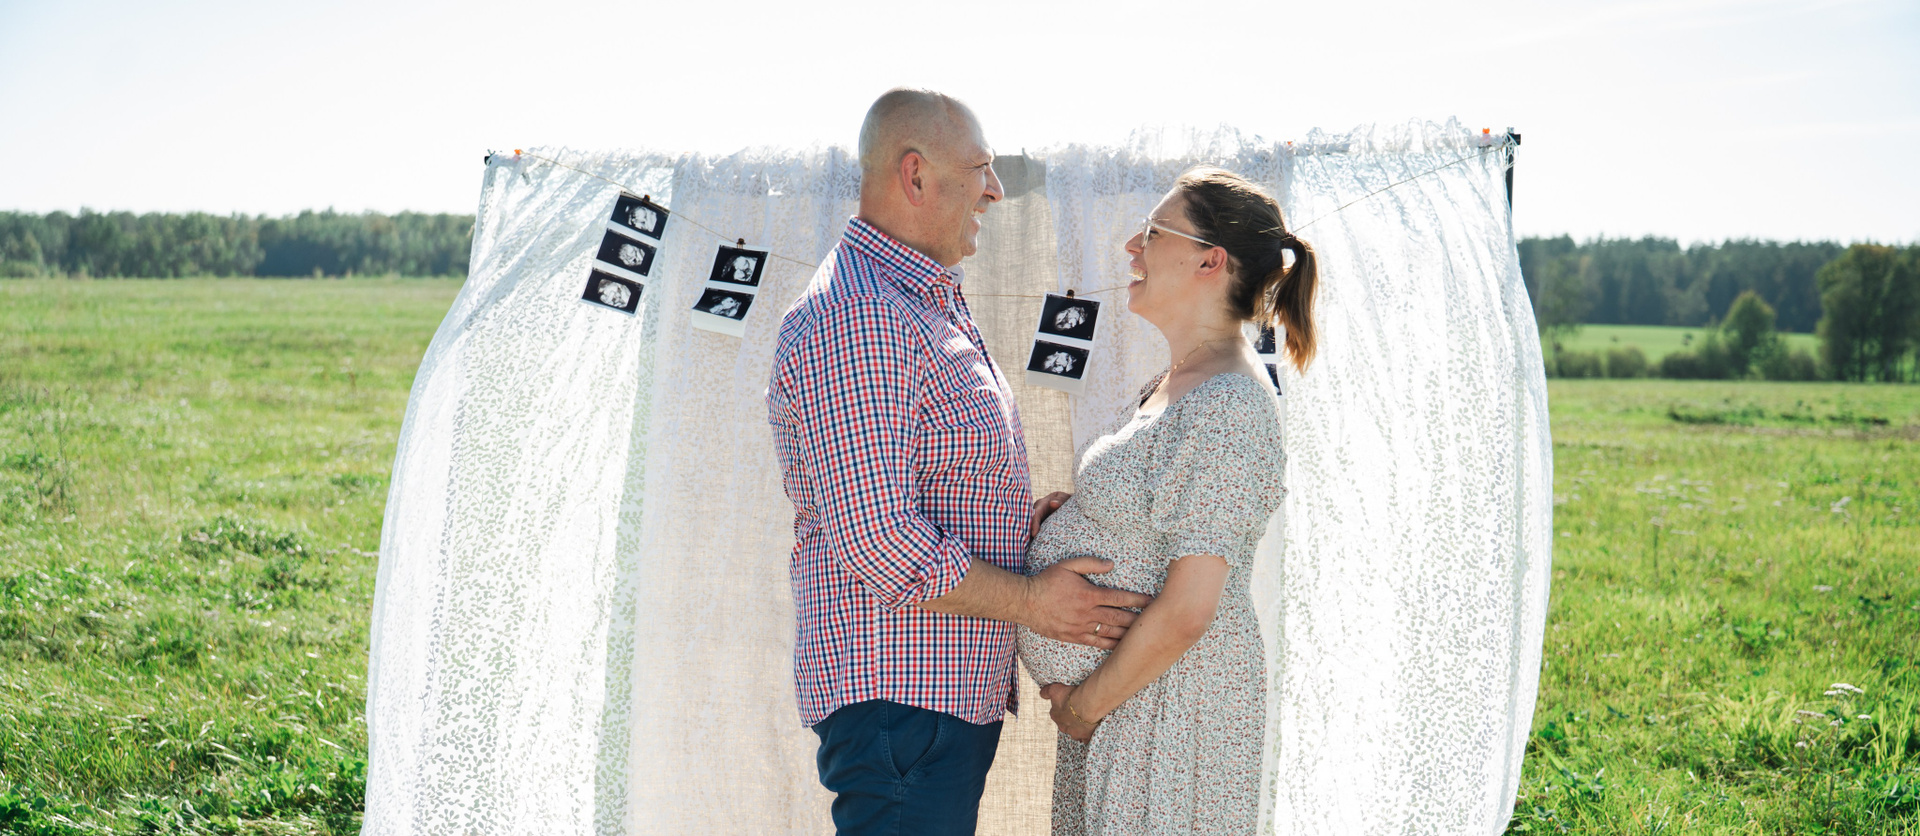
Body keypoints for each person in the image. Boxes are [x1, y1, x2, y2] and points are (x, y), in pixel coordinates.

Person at [765, 88, 1154, 836]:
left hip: (925, 703)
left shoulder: (914, 302)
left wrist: (1020, 525)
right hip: (901, 703)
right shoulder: (864, 315)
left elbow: (922, 488)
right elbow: (879, 539)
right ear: (916, 175)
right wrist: (1034, 602)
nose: (995, 189)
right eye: (980, 167)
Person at [1017, 166, 1319, 834]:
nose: (1133, 246)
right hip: (1135, 703)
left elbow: (1189, 609)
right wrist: (1082, 513)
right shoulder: (1179, 380)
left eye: (1153, 232)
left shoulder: (1231, 404)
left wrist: (1082, 709)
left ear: (1210, 261)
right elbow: (1161, 516)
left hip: (1171, 713)